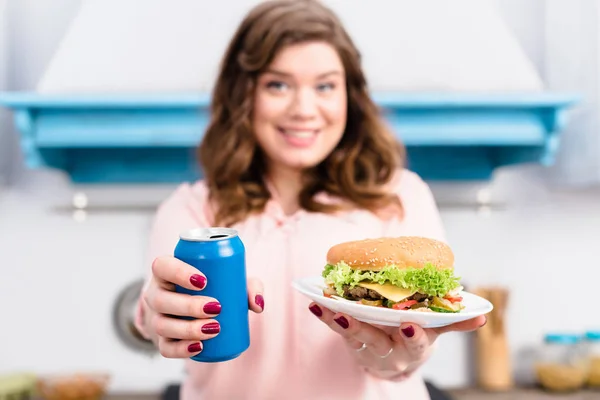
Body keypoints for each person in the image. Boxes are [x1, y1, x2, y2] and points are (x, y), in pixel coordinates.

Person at [134, 1, 486, 399]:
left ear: (348, 96)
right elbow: (154, 307)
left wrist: (397, 357)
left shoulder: (402, 195)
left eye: (325, 86)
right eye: (277, 84)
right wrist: (157, 313)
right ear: (243, 94)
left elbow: (406, 352)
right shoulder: (192, 209)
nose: (303, 109)